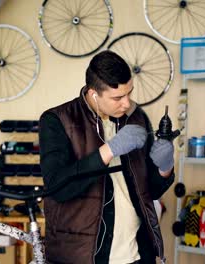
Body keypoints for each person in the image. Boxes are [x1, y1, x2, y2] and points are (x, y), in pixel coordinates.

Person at [39, 50, 175, 264]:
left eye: (129, 93)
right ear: (94, 94)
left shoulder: (136, 118)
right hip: (84, 257)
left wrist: (165, 167)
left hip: (137, 255)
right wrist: (110, 149)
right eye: (118, 97)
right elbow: (58, 188)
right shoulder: (57, 121)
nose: (127, 103)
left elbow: (151, 190)